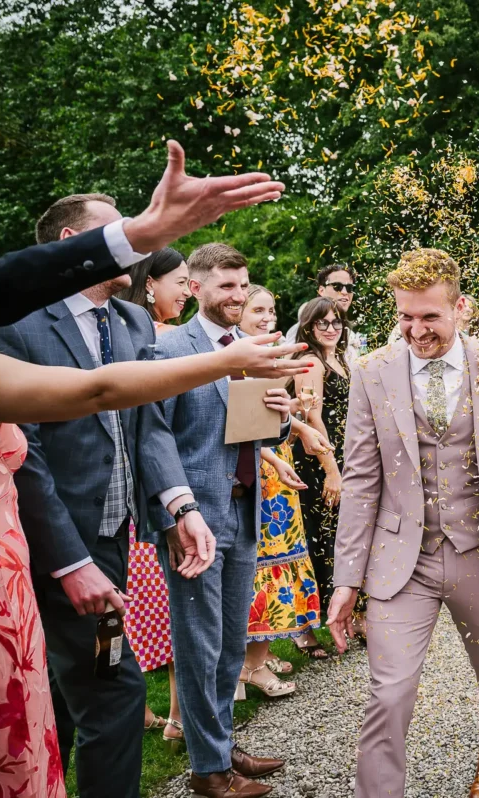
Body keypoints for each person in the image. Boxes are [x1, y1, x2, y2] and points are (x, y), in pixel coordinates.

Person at [0, 192, 202, 797]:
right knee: (115, 688)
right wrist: (70, 562)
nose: (134, 241)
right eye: (114, 232)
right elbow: (23, 458)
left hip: (114, 542)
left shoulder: (131, 320)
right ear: (68, 244)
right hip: (49, 549)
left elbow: (147, 423)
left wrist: (178, 504)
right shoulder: (14, 327)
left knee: (63, 693)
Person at [0, 139, 285, 503]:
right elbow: (98, 391)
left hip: (129, 528)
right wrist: (226, 360)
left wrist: (143, 233)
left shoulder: (132, 322)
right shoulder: (4, 338)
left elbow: (142, 419)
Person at [327, 248, 479, 798]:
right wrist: (346, 581)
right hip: (401, 560)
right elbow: (362, 479)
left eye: (430, 317)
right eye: (405, 317)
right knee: (389, 692)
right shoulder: (372, 373)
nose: (416, 330)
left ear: (460, 308)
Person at [148, 242, 294, 798]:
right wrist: (176, 511)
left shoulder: (250, 348)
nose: (237, 295)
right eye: (226, 286)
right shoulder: (172, 350)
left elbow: (259, 433)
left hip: (244, 508)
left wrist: (281, 419)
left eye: (243, 284)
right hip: (194, 521)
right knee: (200, 642)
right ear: (196, 288)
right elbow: (154, 436)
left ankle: (224, 750)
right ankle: (208, 771)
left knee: (233, 640)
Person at [119, 245, 190, 743]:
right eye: (181, 281)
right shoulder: (159, 339)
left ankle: (148, 712)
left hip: (149, 493)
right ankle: (176, 717)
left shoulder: (140, 331)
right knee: (162, 607)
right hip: (148, 498)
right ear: (151, 284)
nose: (188, 291)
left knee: (140, 609)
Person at [236, 285, 322, 698]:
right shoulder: (237, 358)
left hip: (276, 467)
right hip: (260, 469)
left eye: (272, 309)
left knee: (275, 563)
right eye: (258, 309)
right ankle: (249, 665)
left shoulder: (273, 355)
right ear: (238, 314)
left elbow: (275, 413)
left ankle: (256, 659)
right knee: (258, 566)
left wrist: (299, 421)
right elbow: (244, 422)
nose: (267, 316)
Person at [292, 296, 360, 651]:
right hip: (319, 459)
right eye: (324, 323)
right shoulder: (310, 363)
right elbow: (311, 417)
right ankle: (305, 630)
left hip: (344, 453)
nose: (332, 329)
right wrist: (332, 471)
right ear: (309, 327)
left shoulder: (341, 361)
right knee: (318, 539)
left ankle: (343, 616)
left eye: (337, 322)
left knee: (340, 539)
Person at [286, 264, 367, 368]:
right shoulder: (304, 327)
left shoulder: (348, 331)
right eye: (337, 286)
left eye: (349, 288)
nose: (344, 292)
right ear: (321, 291)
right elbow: (290, 370)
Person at [119, 246, 191, 334]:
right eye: (181, 282)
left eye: (187, 283)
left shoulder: (120, 329)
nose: (189, 293)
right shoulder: (169, 334)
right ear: (149, 283)